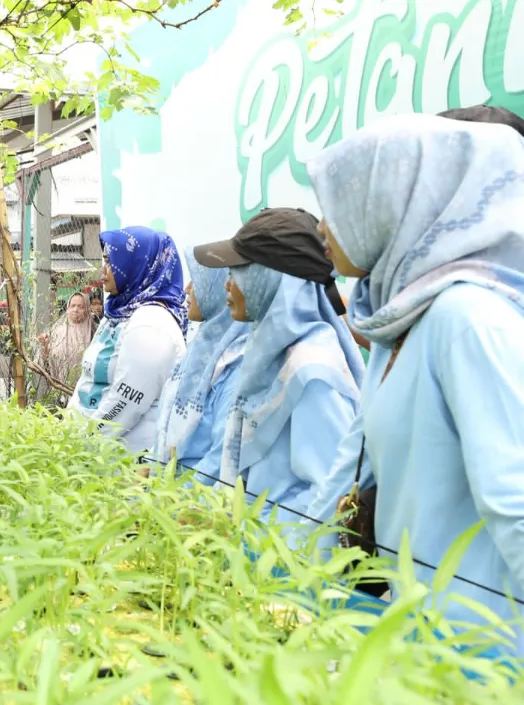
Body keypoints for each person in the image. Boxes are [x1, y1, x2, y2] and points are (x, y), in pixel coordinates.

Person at [307, 114, 524, 654]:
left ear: (396, 205)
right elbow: (347, 463)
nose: (322, 229)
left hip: (482, 649)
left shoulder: (466, 318)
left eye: (338, 205)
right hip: (413, 633)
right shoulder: (397, 323)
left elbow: (515, 503)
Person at [193, 207, 363, 522]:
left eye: (238, 271)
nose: (227, 286)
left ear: (271, 276)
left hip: (279, 560)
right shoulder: (271, 354)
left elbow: (327, 502)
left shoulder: (312, 372)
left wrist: (249, 540)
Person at [68, 227, 188, 451]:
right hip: (95, 454)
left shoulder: (152, 324)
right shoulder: (117, 313)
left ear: (138, 264)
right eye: (105, 261)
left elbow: (125, 403)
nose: (103, 271)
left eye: (112, 262)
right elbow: (87, 379)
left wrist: (81, 445)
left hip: (125, 463)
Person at [153, 257, 250, 484]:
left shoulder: (237, 361)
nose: (187, 288)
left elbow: (222, 456)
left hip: (194, 504)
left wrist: (173, 496)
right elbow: (165, 425)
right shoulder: (199, 349)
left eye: (197, 280)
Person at [37, 292, 95, 403]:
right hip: (59, 391)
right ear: (67, 308)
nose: (76, 309)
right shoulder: (57, 331)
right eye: (72, 306)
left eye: (80, 306)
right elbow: (45, 363)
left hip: (86, 393)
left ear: (87, 309)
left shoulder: (94, 332)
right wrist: (44, 346)